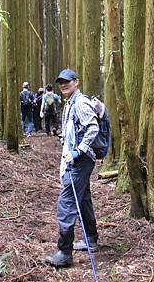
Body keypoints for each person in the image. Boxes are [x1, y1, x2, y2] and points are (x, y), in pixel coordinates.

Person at [45, 69, 99, 268]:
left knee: (66, 202)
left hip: (81, 160)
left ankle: (65, 252)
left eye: (67, 81)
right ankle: (91, 239)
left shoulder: (81, 102)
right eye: (61, 82)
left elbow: (93, 128)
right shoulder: (70, 103)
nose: (63, 85)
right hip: (75, 160)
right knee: (83, 198)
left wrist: (78, 151)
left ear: (76, 82)